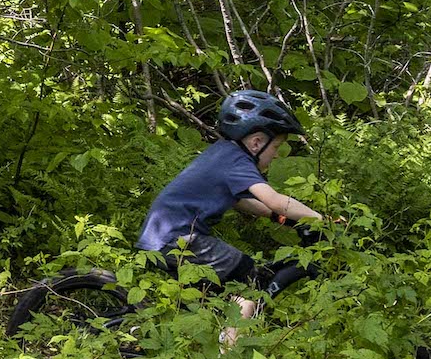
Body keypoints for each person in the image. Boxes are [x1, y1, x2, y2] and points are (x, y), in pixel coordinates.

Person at [136, 89, 322, 343]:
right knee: (248, 280)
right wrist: (319, 219)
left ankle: (206, 343)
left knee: (219, 293)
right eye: (276, 146)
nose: (276, 154)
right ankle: (229, 356)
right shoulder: (237, 163)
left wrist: (284, 220)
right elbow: (275, 200)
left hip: (163, 236)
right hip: (178, 237)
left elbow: (247, 203)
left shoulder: (222, 153)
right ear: (257, 142)